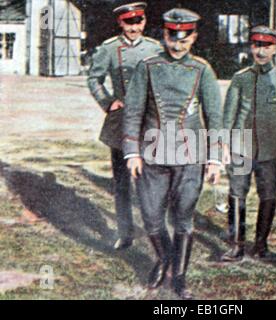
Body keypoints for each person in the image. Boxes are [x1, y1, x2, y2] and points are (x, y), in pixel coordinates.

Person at [122, 8, 223, 299]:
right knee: (152, 217)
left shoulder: (202, 70)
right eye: (171, 38)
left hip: (190, 156)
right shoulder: (148, 66)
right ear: (164, 34)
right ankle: (164, 257)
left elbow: (215, 117)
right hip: (152, 154)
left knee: (183, 218)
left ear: (193, 38)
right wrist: (132, 153)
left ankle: (179, 277)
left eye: (183, 39)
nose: (176, 45)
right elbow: (133, 112)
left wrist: (215, 158)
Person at [87, 2, 162, 250]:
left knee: (150, 180)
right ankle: (125, 232)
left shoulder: (155, 48)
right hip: (121, 123)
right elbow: (94, 79)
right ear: (120, 23)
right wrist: (108, 102)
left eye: (138, 22)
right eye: (129, 23)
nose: (134, 28)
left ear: (144, 22)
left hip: (148, 122)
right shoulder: (109, 49)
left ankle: (156, 231)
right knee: (121, 183)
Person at [221, 26, 276, 262]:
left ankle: (261, 244)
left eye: (267, 46)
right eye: (257, 45)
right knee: (237, 193)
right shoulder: (240, 79)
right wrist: (224, 145)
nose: (261, 51)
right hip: (241, 148)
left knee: (268, 194)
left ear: (275, 49)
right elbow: (228, 115)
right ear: (250, 47)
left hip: (270, 151)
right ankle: (237, 245)